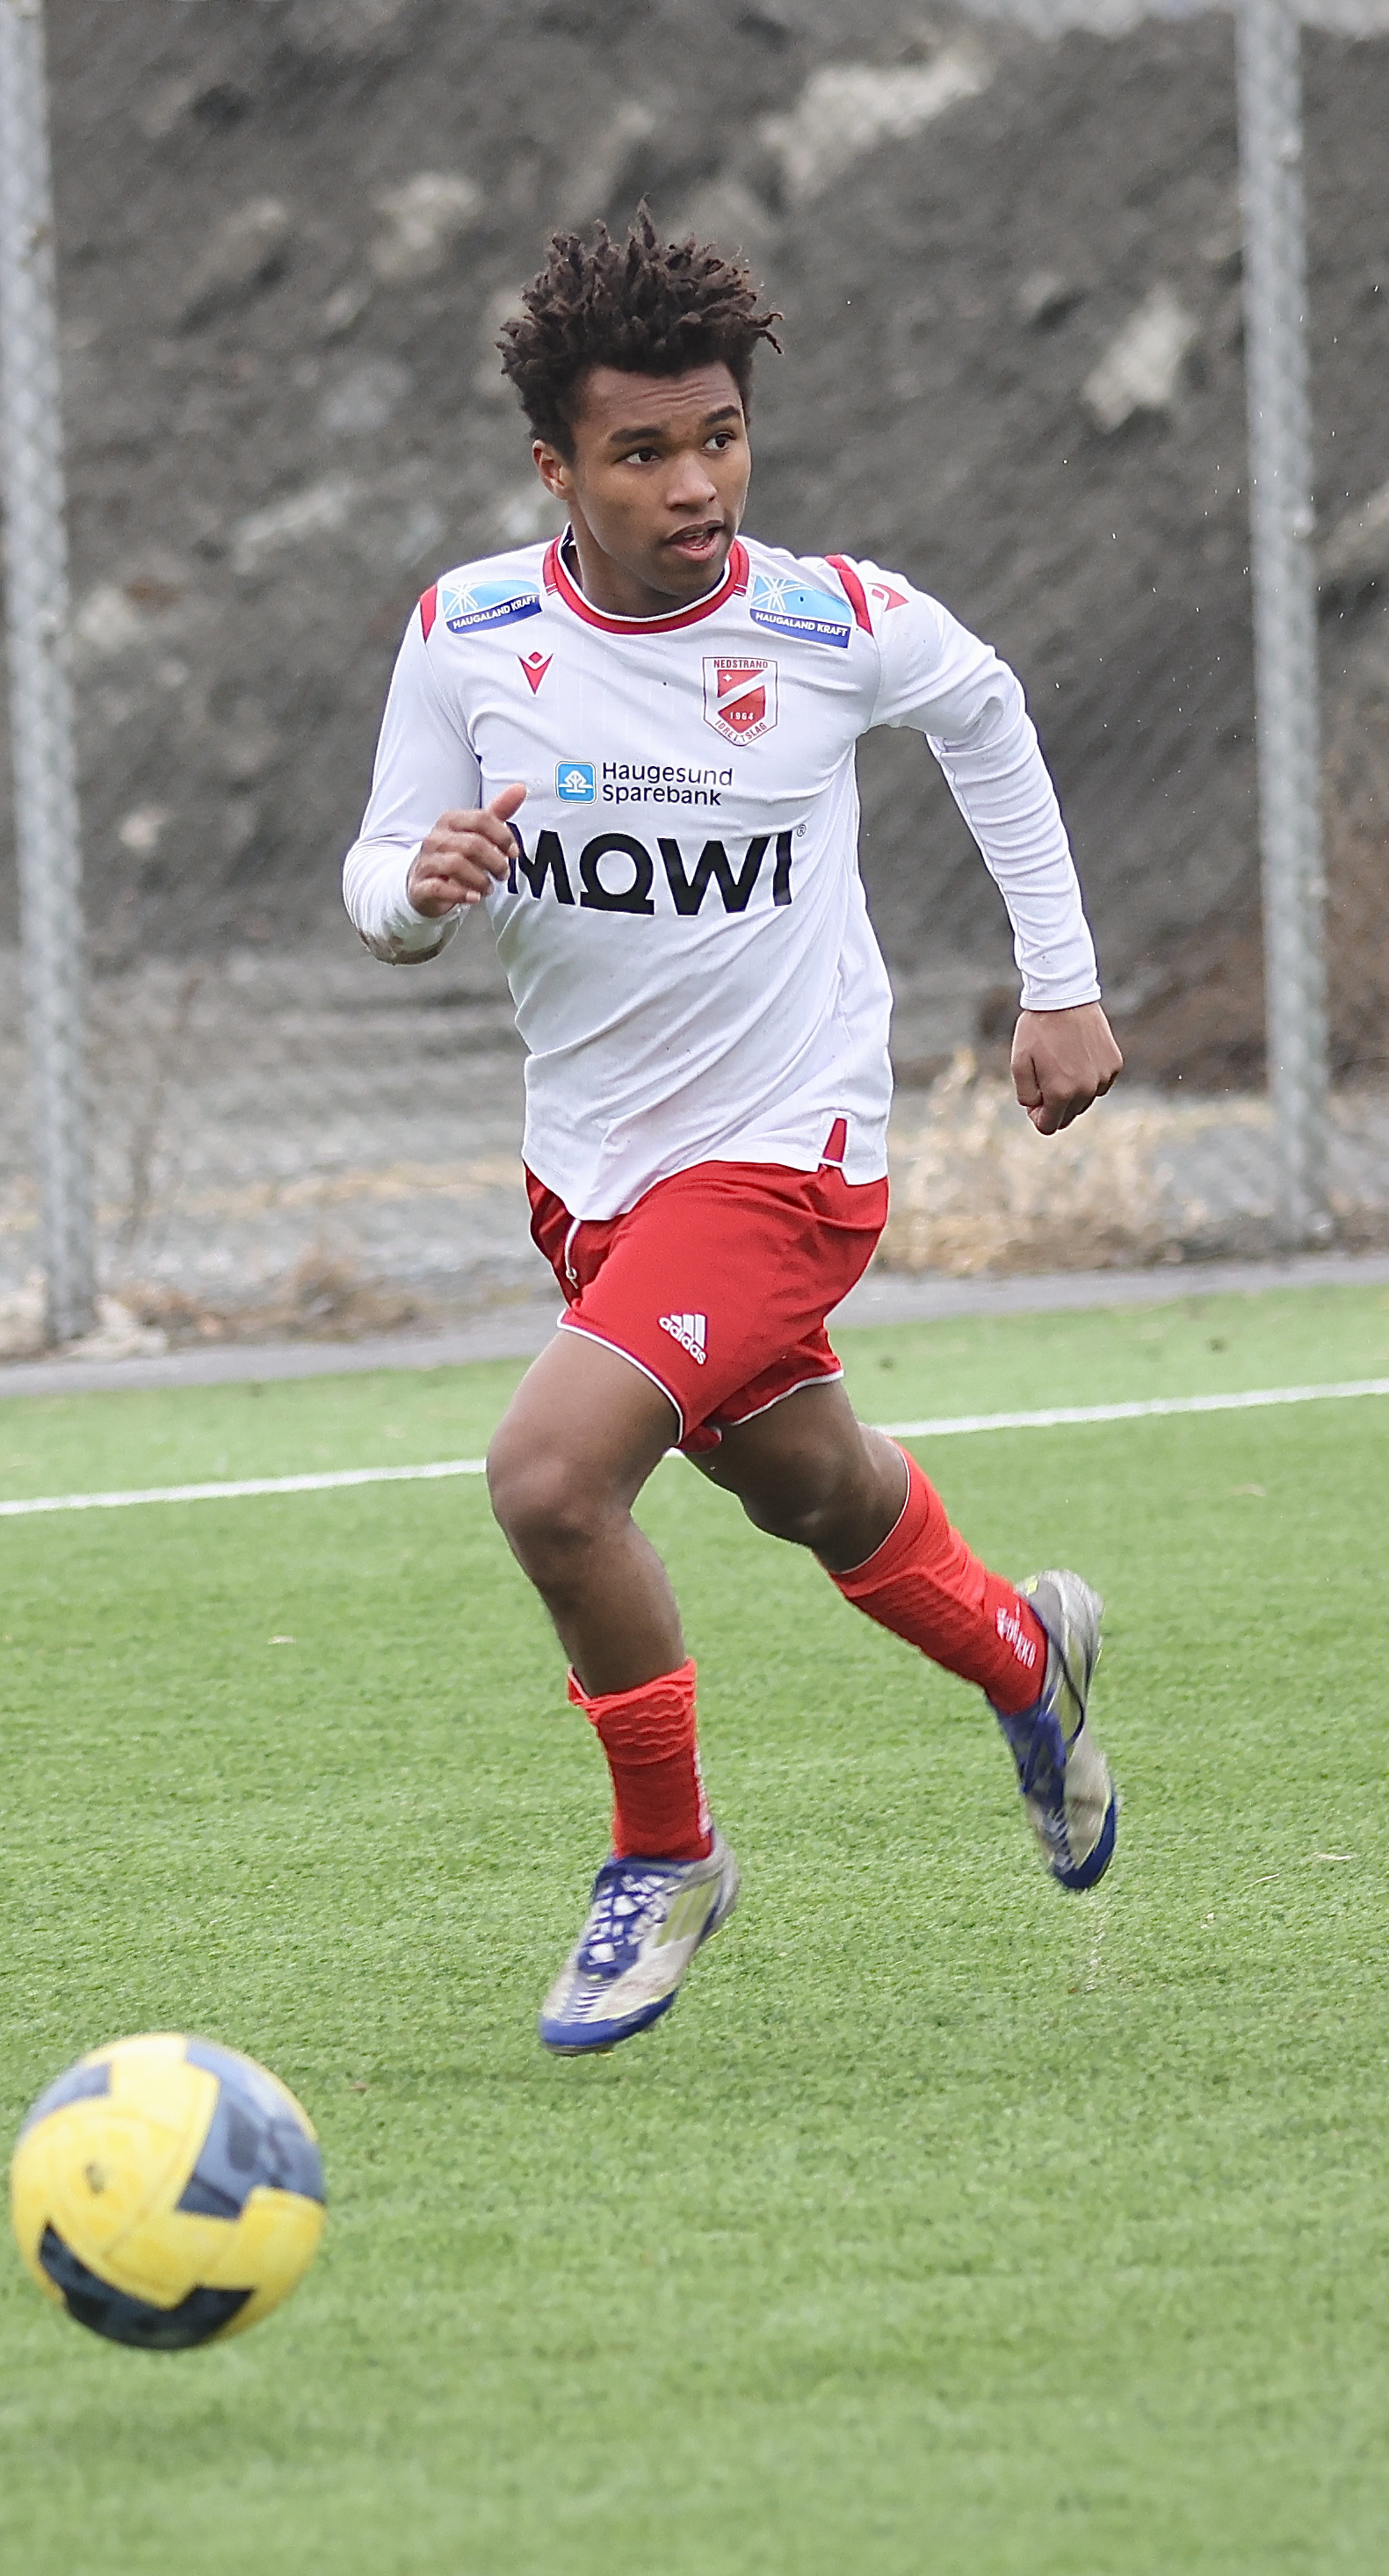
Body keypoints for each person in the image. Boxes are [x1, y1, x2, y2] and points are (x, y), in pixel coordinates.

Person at [341, 213, 1131, 2056]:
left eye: (720, 438)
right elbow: (380, 868)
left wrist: (1062, 981)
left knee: (552, 1478)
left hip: (786, 1156)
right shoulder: (468, 631)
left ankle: (666, 1857)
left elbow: (992, 715)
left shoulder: (827, 619)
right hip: (594, 1175)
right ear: (557, 467)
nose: (695, 482)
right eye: (642, 452)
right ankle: (1030, 1658)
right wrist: (417, 886)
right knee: (813, 1492)